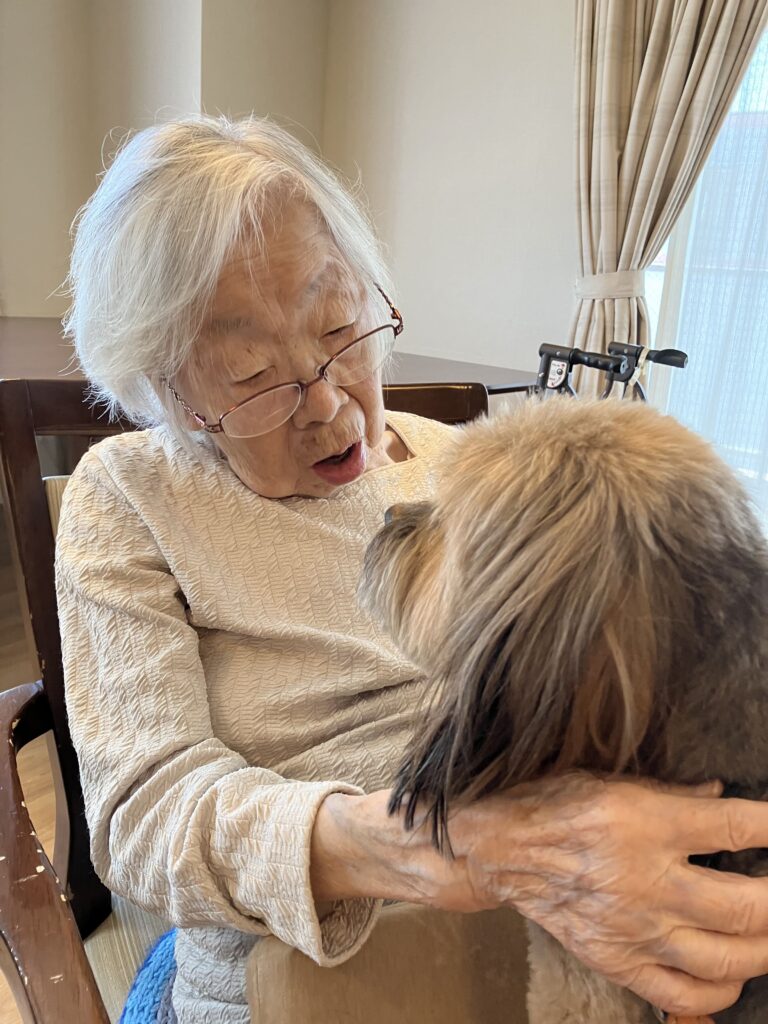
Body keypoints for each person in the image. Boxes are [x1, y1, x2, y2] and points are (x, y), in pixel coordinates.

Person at [57, 115, 768, 1024]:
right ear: (170, 388)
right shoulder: (128, 497)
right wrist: (470, 843)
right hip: (303, 978)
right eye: (253, 376)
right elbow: (143, 818)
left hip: (597, 930)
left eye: (343, 329)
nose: (327, 406)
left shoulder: (476, 461)